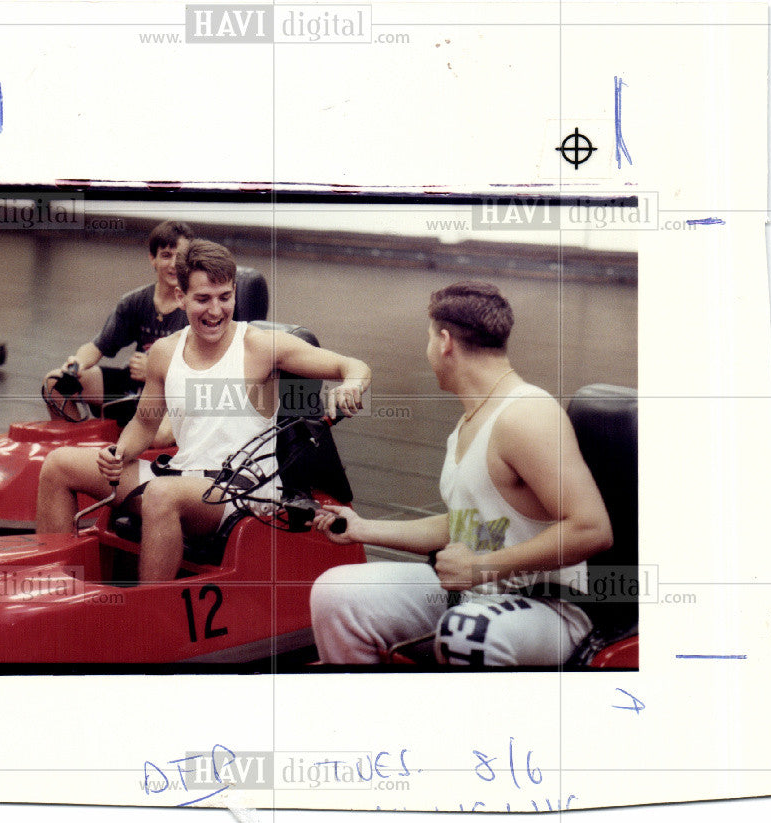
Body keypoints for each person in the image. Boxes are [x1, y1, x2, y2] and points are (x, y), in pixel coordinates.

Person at [310, 281, 613, 667]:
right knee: (336, 593)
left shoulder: (527, 414)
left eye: (428, 340)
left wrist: (480, 568)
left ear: (445, 342)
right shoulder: (470, 420)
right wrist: (363, 528)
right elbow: (466, 526)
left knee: (468, 630)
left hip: (547, 607)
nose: (428, 352)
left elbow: (592, 529)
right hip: (474, 594)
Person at [36, 239, 372, 583]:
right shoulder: (165, 352)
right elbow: (144, 424)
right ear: (181, 297)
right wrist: (119, 452)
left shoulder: (260, 346)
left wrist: (351, 385)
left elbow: (352, 365)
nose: (215, 311)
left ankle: (150, 622)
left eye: (224, 297)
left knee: (161, 495)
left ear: (234, 292)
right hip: (182, 476)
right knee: (58, 465)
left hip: (242, 490)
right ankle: (54, 586)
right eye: (203, 299)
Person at [41, 220, 194, 428]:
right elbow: (97, 347)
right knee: (54, 384)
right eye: (166, 255)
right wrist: (76, 364)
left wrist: (158, 370)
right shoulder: (134, 301)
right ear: (153, 259)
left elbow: (207, 370)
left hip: (171, 394)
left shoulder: (197, 305)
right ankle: (74, 446)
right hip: (133, 386)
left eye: (181, 257)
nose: (174, 264)